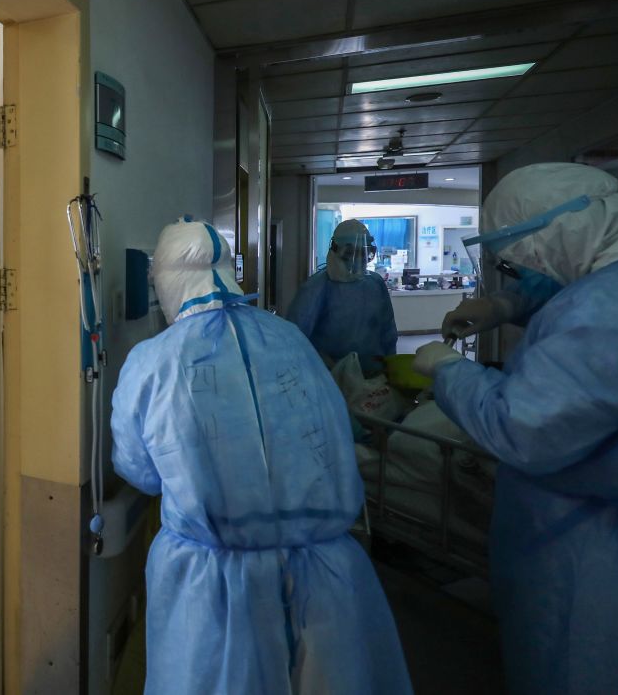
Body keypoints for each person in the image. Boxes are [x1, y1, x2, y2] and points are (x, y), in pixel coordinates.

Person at [112, 218, 411, 695]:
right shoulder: (290, 338)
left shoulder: (154, 360)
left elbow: (139, 472)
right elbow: (333, 431)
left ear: (163, 283)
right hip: (327, 574)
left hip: (214, 585)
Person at [413, 163, 618, 695]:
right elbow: (566, 281)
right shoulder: (604, 281)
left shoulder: (605, 311)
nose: (524, 268)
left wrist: (449, 370)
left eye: (524, 255)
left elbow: (521, 428)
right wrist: (504, 304)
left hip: (590, 552)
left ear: (564, 228)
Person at [285, 219, 397, 376]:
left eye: (362, 252)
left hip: (373, 375)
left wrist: (391, 366)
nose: (358, 259)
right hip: (330, 378)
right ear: (336, 251)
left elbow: (388, 330)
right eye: (351, 253)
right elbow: (294, 337)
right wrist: (322, 365)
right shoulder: (317, 287)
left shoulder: (375, 283)